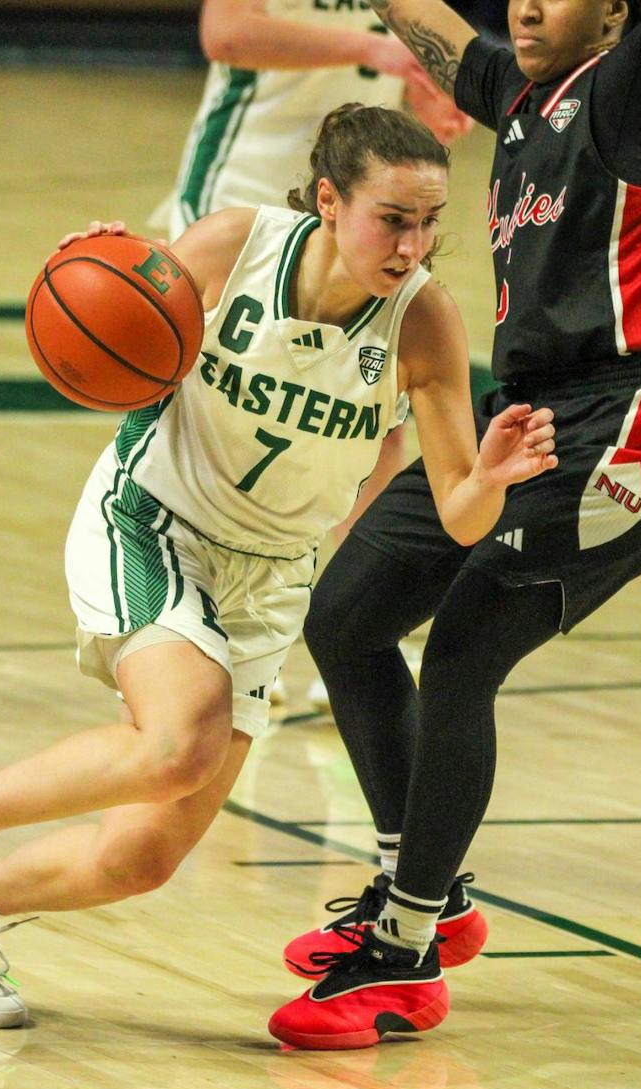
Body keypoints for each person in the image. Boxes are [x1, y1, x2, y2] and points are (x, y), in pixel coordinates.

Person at [0, 104, 558, 1028]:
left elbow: (459, 513)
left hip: (267, 579)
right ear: (332, 202)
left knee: (142, 856)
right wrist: (90, 263)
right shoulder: (238, 246)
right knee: (179, 738)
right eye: (393, 218)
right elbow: (119, 291)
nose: (412, 243)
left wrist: (494, 475)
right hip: (152, 521)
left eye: (429, 223)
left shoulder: (423, 321)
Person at [268, 0, 641, 1051]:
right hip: (528, 418)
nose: (530, 4)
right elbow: (427, 21)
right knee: (345, 617)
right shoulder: (518, 95)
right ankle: (427, 888)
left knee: (459, 657)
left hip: (634, 423)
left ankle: (405, 946)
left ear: (617, 13)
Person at [160, 0, 474, 704]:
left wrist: (435, 91)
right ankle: (192, 624)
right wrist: (383, 55)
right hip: (245, 191)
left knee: (372, 428)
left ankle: (362, 628)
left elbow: (439, 51)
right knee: (226, 418)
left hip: (368, 208)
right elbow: (227, 34)